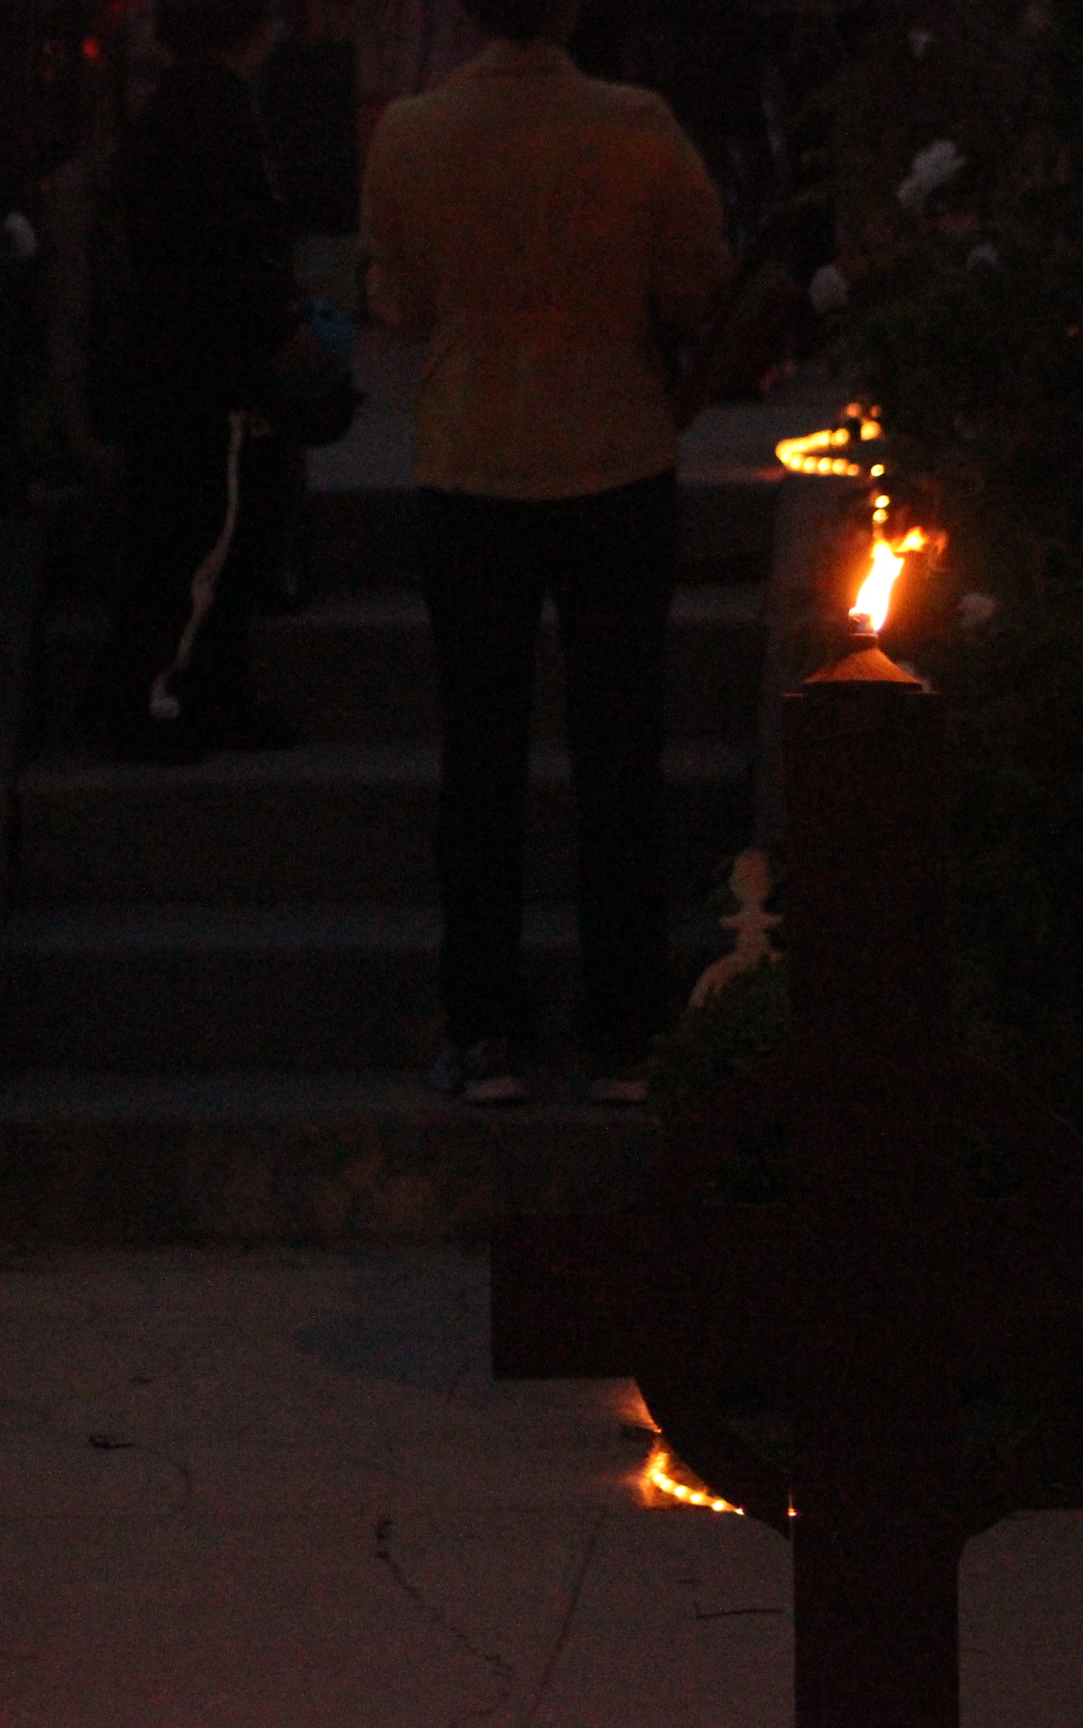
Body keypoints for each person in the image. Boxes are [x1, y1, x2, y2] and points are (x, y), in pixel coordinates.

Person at [359, 0, 733, 1104]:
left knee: (479, 752)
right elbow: (696, 275)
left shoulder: (411, 133)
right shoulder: (637, 124)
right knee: (620, 750)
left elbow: (401, 300)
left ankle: (484, 1023)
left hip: (471, 459)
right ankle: (626, 1022)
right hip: (616, 453)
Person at [91, 0, 307, 764]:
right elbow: (232, 240)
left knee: (196, 538)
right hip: (204, 371)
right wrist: (276, 323)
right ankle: (156, 699)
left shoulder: (180, 110)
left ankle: (207, 692)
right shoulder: (214, 114)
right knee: (204, 540)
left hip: (180, 362)